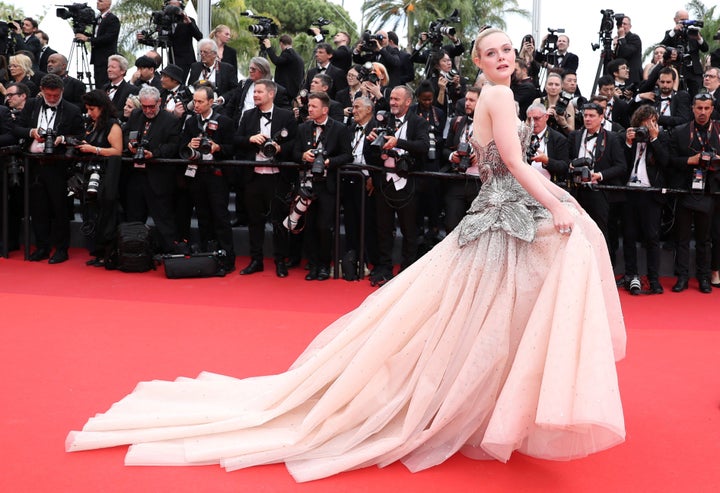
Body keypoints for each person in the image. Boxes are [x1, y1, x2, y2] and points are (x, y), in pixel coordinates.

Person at [66, 28, 626, 483]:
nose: (503, 59)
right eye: (492, 53)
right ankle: (481, 407)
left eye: (508, 51)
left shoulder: (504, 97)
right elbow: (512, 161)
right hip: (502, 219)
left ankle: (486, 407)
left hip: (499, 218)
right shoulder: (502, 96)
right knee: (494, 310)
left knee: (478, 319)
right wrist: (556, 203)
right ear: (478, 63)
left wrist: (547, 194)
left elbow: (499, 164)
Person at [13, 74, 84, 264]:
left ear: (62, 91)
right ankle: (42, 247)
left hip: (58, 166)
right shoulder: (31, 105)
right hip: (34, 165)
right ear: (42, 91)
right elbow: (16, 128)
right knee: (38, 209)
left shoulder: (72, 109)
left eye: (56, 95)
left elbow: (80, 135)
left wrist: (62, 139)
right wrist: (32, 132)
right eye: (49, 95)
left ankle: (62, 249)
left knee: (60, 209)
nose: (52, 99)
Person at [234, 79, 298, 277]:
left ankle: (280, 261)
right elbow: (236, 141)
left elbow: (296, 144)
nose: (255, 95)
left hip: (278, 177)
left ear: (271, 94)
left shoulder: (286, 116)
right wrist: (249, 139)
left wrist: (280, 148)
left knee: (279, 222)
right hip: (253, 176)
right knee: (255, 221)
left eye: (259, 92)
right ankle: (256, 260)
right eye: (254, 92)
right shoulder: (247, 115)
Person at [74, 89, 123, 267]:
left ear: (102, 108)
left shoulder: (113, 125)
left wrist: (93, 149)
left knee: (106, 214)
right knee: (91, 213)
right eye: (87, 109)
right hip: (89, 175)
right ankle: (97, 251)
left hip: (106, 177)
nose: (89, 113)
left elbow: (117, 151)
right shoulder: (91, 124)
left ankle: (108, 253)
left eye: (92, 109)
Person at [76, 0, 119, 88]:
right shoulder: (98, 18)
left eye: (101, 1)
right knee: (98, 83)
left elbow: (109, 38)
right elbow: (96, 36)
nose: (98, 2)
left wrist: (88, 39)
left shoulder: (112, 19)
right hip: (97, 58)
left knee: (104, 84)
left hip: (106, 58)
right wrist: (84, 35)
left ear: (108, 3)